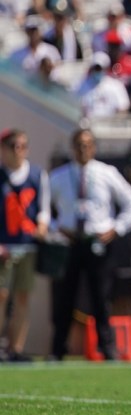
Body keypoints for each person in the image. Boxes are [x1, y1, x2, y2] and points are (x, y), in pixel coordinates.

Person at [48, 128, 131, 361]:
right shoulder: (58, 176)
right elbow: (42, 209)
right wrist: (56, 227)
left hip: (98, 242)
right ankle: (58, 349)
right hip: (70, 243)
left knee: (101, 298)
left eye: (87, 144)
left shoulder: (106, 173)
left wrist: (116, 228)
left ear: (94, 147)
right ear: (72, 147)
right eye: (79, 144)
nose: (83, 149)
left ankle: (107, 348)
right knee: (65, 297)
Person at [0, 129, 50, 362]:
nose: (18, 151)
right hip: (4, 246)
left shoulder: (37, 174)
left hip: (27, 245)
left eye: (22, 146)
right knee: (1, 295)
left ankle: (16, 348)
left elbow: (44, 207)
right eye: (13, 146)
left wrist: (42, 225)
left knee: (22, 298)